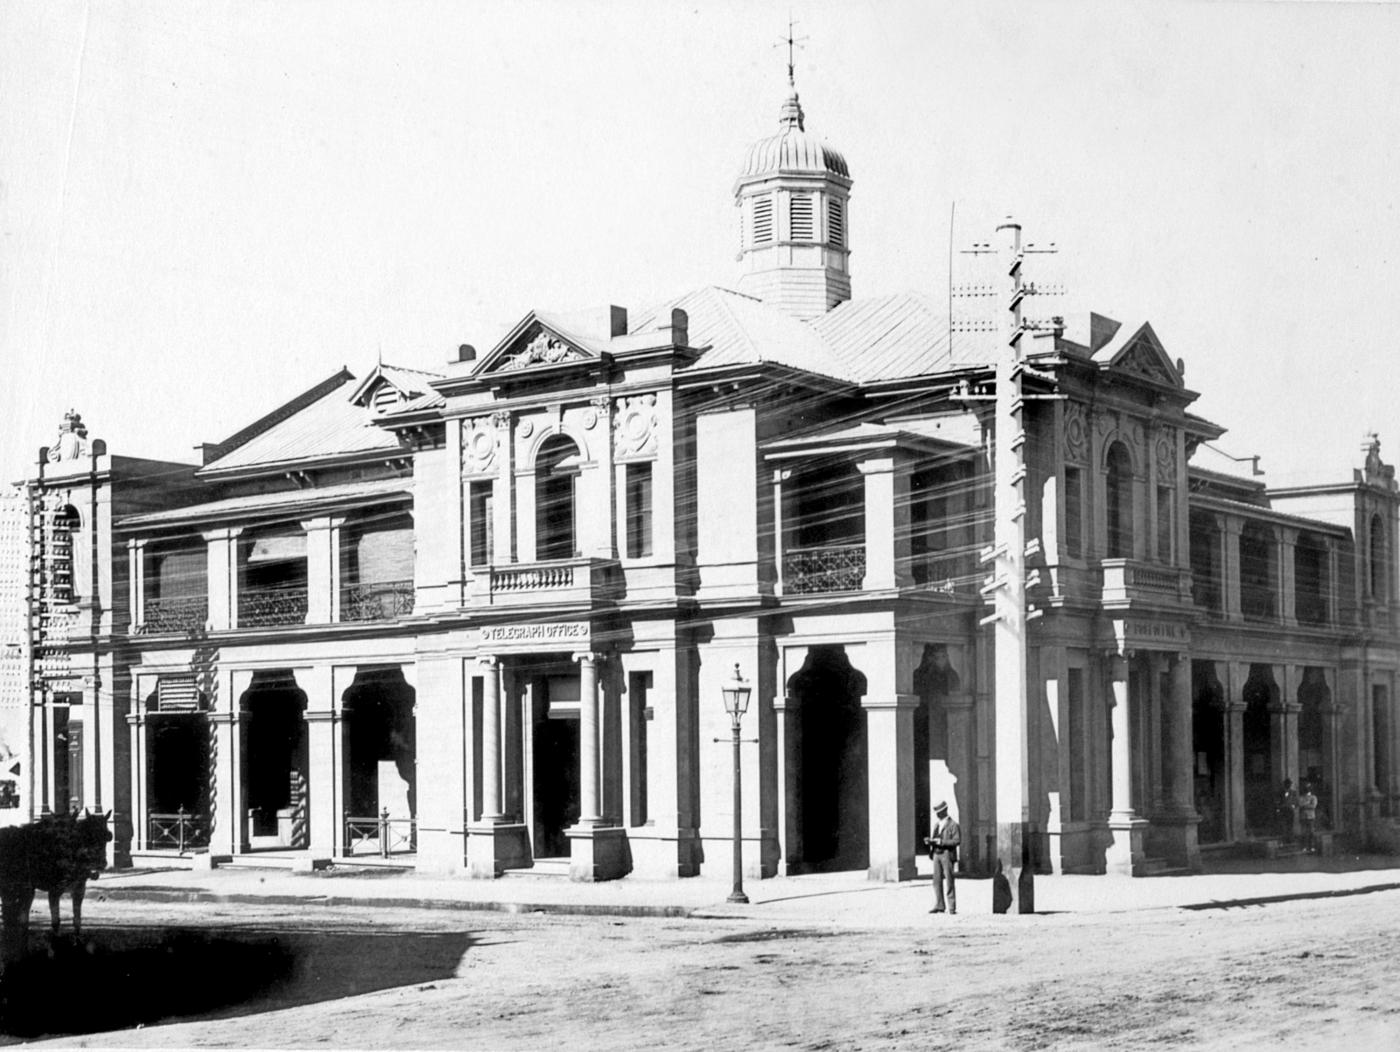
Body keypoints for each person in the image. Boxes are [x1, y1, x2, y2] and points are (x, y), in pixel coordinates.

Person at [924, 800, 961, 915]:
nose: (937, 815)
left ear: (945, 811)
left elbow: (957, 841)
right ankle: (939, 904)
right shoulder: (937, 825)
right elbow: (935, 837)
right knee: (936, 881)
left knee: (949, 880)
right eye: (937, 813)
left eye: (939, 812)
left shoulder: (953, 825)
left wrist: (942, 841)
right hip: (936, 853)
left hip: (946, 854)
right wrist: (930, 842)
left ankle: (951, 907)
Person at [1298, 782, 1319, 853]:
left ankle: (1312, 847)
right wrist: (1308, 803)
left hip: (1311, 817)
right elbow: (1300, 805)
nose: (1307, 789)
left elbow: (1313, 806)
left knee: (1311, 832)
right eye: (1306, 788)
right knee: (1304, 833)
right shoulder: (1301, 797)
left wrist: (1305, 805)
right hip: (1303, 817)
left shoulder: (1313, 797)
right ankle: (1304, 847)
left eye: (1309, 788)